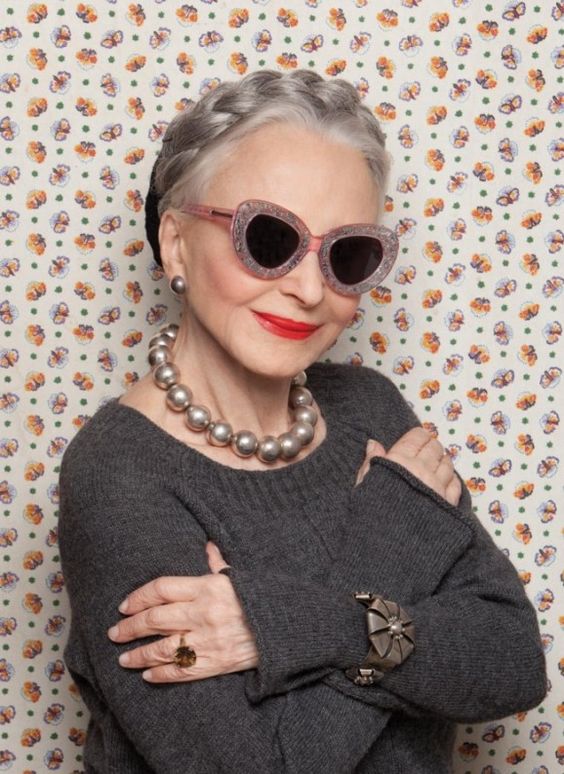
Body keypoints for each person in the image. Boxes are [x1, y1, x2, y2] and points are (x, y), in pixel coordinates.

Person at [59, 69, 547, 774]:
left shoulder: (372, 408)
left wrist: (286, 622)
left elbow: (512, 661)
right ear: (176, 241)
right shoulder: (119, 474)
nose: (310, 288)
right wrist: (397, 540)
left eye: (347, 253)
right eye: (268, 238)